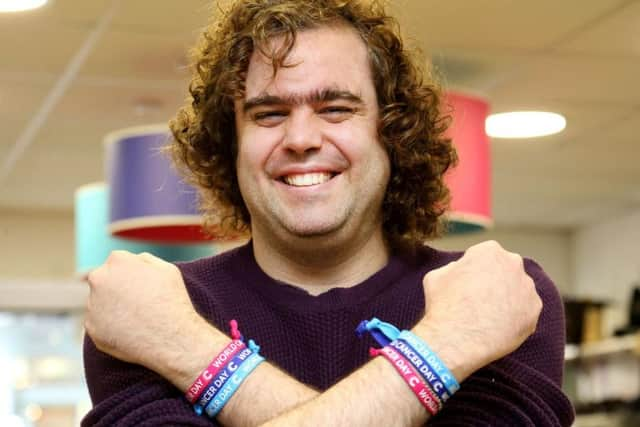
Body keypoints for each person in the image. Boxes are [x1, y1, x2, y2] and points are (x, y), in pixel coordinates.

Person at [82, 0, 574, 425]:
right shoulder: (151, 306)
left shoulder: (496, 296)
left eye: (336, 108)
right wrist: (443, 350)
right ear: (231, 144)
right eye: (268, 114)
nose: (300, 139)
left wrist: (191, 353)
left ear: (392, 131)